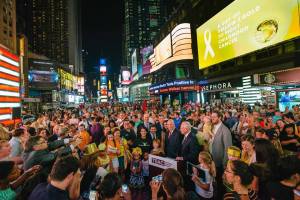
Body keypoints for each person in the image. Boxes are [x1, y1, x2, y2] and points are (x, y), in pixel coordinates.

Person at [210, 111, 232, 198]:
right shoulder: (213, 127)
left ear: (220, 118)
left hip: (220, 163)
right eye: (211, 117)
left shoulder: (225, 130)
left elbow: (228, 149)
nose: (212, 119)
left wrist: (224, 164)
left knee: (220, 185)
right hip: (213, 160)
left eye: (214, 117)